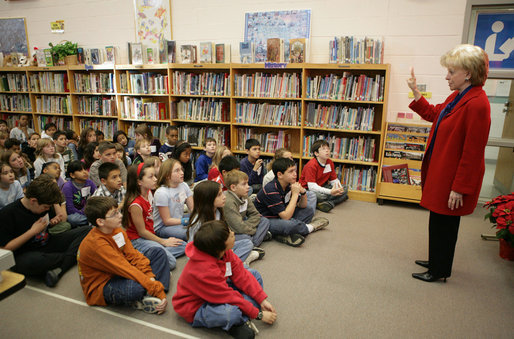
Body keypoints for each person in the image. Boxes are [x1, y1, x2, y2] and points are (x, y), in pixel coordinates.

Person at [407, 44, 491, 283]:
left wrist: (460, 188)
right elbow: (436, 114)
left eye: (451, 71)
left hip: (453, 178)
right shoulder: (458, 96)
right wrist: (415, 92)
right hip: (442, 171)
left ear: (468, 73)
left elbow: (473, 153)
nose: (446, 76)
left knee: (446, 224)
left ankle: (439, 269)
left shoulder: (477, 104)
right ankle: (436, 260)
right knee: (438, 220)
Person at [172, 220, 277, 338]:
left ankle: (239, 320)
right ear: (220, 246)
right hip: (197, 306)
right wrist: (258, 315)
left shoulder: (224, 252)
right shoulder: (203, 270)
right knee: (230, 314)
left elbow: (242, 275)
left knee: (253, 274)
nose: (233, 233)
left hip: (218, 289)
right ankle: (236, 320)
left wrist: (262, 300)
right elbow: (229, 296)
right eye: (230, 234)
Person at [78, 196, 169, 314]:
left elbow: (133, 255)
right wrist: (156, 288)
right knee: (134, 289)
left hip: (118, 270)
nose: (120, 216)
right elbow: (125, 268)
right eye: (114, 214)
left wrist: (150, 279)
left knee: (158, 253)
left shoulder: (116, 229)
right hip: (102, 283)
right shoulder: (97, 244)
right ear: (100, 222)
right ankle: (154, 287)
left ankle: (151, 290)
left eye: (118, 211)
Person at [0, 175, 90, 287]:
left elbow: (54, 221)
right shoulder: (7, 214)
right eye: (46, 207)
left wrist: (54, 221)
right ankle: (73, 256)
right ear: (33, 201)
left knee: (87, 231)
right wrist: (32, 232)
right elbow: (5, 248)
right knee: (32, 262)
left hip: (48, 243)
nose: (47, 209)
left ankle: (61, 267)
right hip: (25, 254)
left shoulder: (44, 203)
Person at [122, 163, 185, 270]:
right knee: (171, 262)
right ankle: (136, 257)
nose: (155, 179)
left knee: (184, 245)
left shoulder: (149, 192)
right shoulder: (135, 204)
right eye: (151, 177)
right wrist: (163, 241)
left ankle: (156, 255)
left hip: (150, 235)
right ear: (139, 182)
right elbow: (142, 232)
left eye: (155, 176)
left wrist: (162, 242)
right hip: (138, 240)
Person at [254, 158, 329, 247]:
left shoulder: (288, 184)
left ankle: (281, 234)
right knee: (288, 225)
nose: (295, 174)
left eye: (295, 171)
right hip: (266, 220)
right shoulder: (271, 189)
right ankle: (310, 227)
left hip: (281, 216)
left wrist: (303, 193)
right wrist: (295, 195)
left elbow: (303, 205)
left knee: (308, 210)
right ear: (280, 174)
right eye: (291, 172)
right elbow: (285, 217)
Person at [187, 180, 259, 265]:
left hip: (219, 248)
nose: (224, 197)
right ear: (209, 198)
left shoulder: (218, 211)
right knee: (249, 272)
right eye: (219, 195)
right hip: (207, 257)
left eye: (222, 193)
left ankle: (235, 263)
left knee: (247, 242)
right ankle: (237, 263)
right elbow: (194, 251)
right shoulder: (198, 222)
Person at [224, 170, 271, 247]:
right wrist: (253, 230)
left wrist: (247, 227)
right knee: (246, 238)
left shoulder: (244, 195)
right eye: (244, 184)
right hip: (231, 231)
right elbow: (237, 227)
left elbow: (255, 214)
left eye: (247, 183)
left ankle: (252, 242)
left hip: (242, 224)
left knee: (264, 220)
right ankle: (255, 241)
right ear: (233, 187)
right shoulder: (228, 202)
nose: (248, 186)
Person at [299, 140, 348, 212]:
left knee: (344, 188)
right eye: (323, 149)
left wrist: (338, 188)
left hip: (322, 186)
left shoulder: (329, 162)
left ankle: (325, 203)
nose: (327, 151)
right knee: (319, 196)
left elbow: (334, 180)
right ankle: (331, 201)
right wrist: (330, 192)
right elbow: (312, 187)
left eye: (328, 148)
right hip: (308, 189)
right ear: (316, 153)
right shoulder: (311, 165)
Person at [153, 159, 193, 241]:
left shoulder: (184, 185)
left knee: (204, 221)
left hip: (179, 219)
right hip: (163, 227)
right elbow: (167, 221)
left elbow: (192, 208)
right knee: (190, 232)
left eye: (181, 169)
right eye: (177, 171)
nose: (182, 173)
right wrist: (187, 221)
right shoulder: (162, 193)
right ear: (167, 175)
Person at [62, 160, 96, 227]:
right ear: (72, 175)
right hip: (76, 213)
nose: (85, 172)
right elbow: (70, 209)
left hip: (89, 210)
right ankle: (93, 220)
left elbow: (97, 196)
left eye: (85, 169)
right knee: (72, 219)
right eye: (80, 171)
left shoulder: (89, 182)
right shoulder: (68, 187)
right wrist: (85, 213)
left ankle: (93, 220)